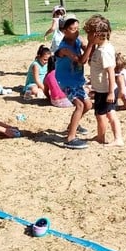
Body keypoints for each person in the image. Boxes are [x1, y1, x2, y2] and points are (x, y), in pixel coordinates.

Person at [55, 13, 93, 149]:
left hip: (77, 80)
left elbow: (90, 52)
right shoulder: (63, 49)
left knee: (88, 105)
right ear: (64, 31)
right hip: (66, 81)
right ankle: (70, 138)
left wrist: (93, 43)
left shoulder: (77, 40)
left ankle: (73, 125)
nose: (76, 31)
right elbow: (82, 61)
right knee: (80, 105)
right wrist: (91, 44)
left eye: (77, 28)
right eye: (72, 29)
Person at [85, 15, 124, 146]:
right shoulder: (99, 48)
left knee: (105, 114)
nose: (87, 37)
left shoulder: (104, 51)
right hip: (101, 88)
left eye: (89, 34)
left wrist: (111, 92)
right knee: (103, 113)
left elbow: (111, 71)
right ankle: (101, 136)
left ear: (96, 34)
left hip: (106, 89)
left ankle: (116, 138)